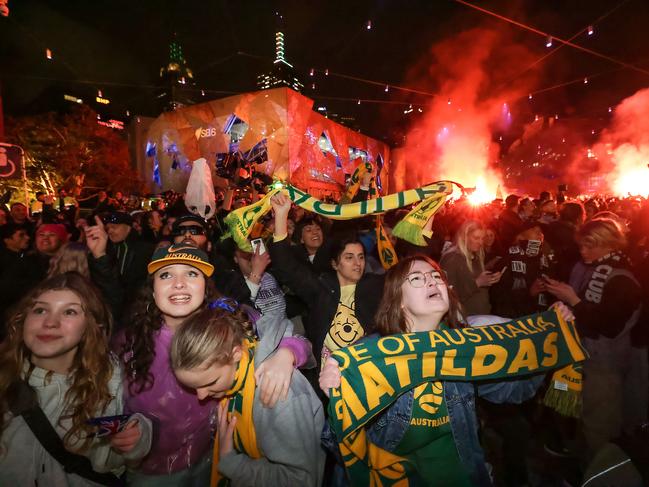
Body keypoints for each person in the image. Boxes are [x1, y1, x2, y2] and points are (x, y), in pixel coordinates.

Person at [320, 255, 576, 486]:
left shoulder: (466, 346)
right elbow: (338, 446)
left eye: (436, 276)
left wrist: (548, 343)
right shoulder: (369, 355)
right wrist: (338, 399)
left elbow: (512, 392)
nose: (432, 282)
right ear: (397, 301)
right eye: (418, 279)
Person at [118, 243, 311, 486]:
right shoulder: (130, 342)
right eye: (166, 275)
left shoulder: (230, 322)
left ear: (205, 286)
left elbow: (292, 338)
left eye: (191, 273)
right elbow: (113, 403)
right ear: (153, 290)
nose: (179, 283)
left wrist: (286, 355)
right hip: (153, 472)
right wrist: (130, 431)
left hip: (216, 459)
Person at [0, 272, 152, 485]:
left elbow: (114, 463)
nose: (50, 322)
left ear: (90, 327)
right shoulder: (5, 377)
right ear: (23, 318)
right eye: (40, 310)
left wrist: (137, 437)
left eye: (69, 312)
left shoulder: (108, 380)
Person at [170, 304, 325, 486]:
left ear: (236, 354)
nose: (201, 396)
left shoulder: (276, 393)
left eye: (210, 383)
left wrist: (232, 462)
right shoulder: (237, 375)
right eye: (193, 387)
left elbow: (300, 481)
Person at [544, 218, 648, 457]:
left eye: (590, 246)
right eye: (581, 245)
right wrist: (568, 306)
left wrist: (574, 300)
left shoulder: (622, 278)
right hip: (590, 358)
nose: (583, 251)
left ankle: (600, 474)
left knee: (600, 427)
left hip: (606, 366)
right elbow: (590, 311)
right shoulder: (602, 269)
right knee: (588, 420)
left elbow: (610, 327)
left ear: (609, 244)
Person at [269, 192, 384, 368]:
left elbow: (406, 274)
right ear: (335, 264)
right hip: (328, 381)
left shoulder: (374, 286)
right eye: (349, 257)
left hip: (366, 375)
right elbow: (285, 265)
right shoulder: (321, 289)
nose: (357, 263)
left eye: (361, 257)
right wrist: (281, 215)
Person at [441, 220, 503, 315]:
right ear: (464, 237)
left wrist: (490, 279)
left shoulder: (476, 255)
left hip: (481, 315)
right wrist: (477, 283)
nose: (481, 242)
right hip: (465, 320)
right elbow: (448, 296)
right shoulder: (452, 258)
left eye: (482, 238)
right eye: (476, 238)